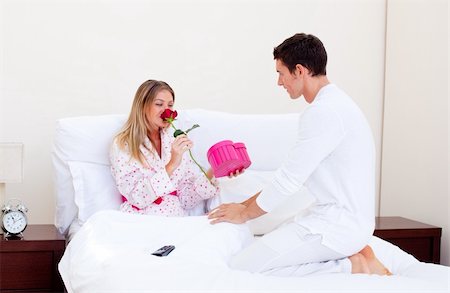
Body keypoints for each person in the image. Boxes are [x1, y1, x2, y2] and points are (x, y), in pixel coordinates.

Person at [208, 33, 391, 276]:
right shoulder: (335, 104)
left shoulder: (323, 113)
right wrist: (241, 205)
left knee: (241, 268)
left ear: (300, 71)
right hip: (336, 218)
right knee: (262, 251)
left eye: (281, 73)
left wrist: (243, 214)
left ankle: (352, 265)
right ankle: (355, 255)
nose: (279, 82)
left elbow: (287, 182)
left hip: (339, 225)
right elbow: (288, 177)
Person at [110, 80, 219, 216]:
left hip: (175, 222)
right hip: (139, 222)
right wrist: (172, 164)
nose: (166, 110)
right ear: (142, 106)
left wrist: (213, 171)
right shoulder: (123, 143)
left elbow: (186, 200)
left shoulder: (173, 142)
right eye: (159, 104)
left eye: (170, 105)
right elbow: (137, 197)